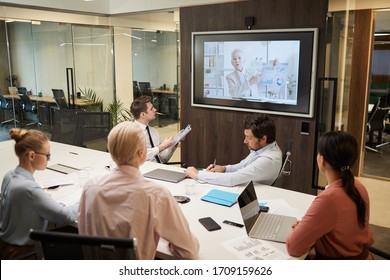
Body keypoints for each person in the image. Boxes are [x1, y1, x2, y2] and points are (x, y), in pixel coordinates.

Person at [78, 121, 199, 260]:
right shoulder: (156, 195)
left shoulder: (90, 187)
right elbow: (188, 251)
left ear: (110, 152)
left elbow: (84, 232)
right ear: (142, 153)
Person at [286, 131, 374, 260]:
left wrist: (300, 230)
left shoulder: (329, 199)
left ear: (322, 160)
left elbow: (293, 248)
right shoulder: (357, 185)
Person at [0, 128, 78, 259]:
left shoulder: (9, 176)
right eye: (47, 155)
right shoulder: (30, 189)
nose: (49, 159)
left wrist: (40, 199)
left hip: (5, 246)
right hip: (24, 253)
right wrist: (83, 202)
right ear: (31, 156)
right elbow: (65, 216)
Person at [185, 114, 282, 187]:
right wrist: (224, 169)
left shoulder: (268, 160)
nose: (245, 141)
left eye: (249, 138)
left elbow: (233, 179)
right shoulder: (265, 148)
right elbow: (243, 165)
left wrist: (197, 175)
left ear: (263, 138)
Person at [130, 96, 179, 163]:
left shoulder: (153, 132)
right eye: (151, 109)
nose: (155, 110)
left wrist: (174, 143)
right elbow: (139, 156)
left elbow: (163, 159)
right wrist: (162, 146)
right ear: (143, 114)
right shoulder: (131, 132)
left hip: (158, 169)